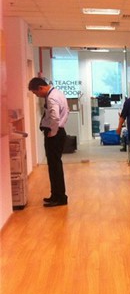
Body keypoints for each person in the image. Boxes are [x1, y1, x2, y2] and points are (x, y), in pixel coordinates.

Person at [28, 77, 70, 207]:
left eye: (36, 93)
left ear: (40, 88)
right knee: (54, 166)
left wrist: (53, 132)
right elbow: (66, 112)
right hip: (59, 132)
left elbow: (55, 117)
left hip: (55, 135)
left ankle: (60, 197)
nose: (37, 96)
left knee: (54, 167)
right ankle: (56, 195)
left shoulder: (51, 98)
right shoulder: (58, 93)